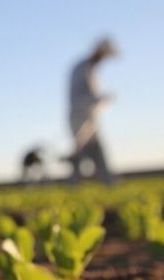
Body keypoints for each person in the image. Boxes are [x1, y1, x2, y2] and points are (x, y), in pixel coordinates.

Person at [66, 38, 118, 185]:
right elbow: (82, 95)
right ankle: (74, 184)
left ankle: (107, 181)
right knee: (80, 151)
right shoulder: (82, 69)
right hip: (79, 117)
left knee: (97, 150)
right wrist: (102, 98)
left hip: (89, 118)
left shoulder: (90, 69)